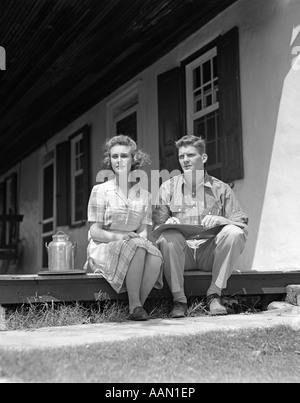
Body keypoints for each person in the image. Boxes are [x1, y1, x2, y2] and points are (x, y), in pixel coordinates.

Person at [153, 135, 248, 318]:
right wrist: (167, 224)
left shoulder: (221, 189)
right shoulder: (167, 188)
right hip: (182, 253)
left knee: (233, 233)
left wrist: (223, 221)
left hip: (210, 254)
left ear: (203, 158)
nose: (185, 160)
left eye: (190, 155)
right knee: (168, 236)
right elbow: (156, 228)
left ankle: (214, 295)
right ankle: (179, 301)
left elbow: (242, 223)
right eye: (181, 156)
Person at [85, 135, 163, 321]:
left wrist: (137, 239)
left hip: (133, 244)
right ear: (109, 160)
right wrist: (121, 238)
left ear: (134, 159)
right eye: (114, 156)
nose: (119, 161)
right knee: (137, 247)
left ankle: (137, 307)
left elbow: (143, 231)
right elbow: (95, 231)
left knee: (155, 255)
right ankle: (134, 305)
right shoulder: (101, 191)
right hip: (104, 246)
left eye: (124, 156)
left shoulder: (144, 195)